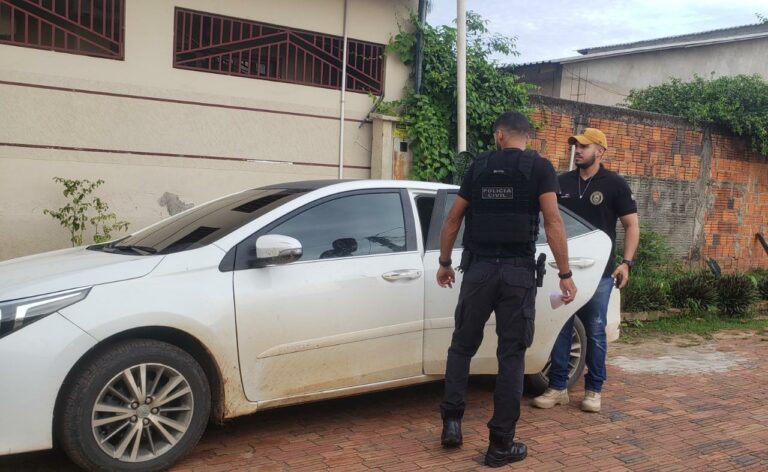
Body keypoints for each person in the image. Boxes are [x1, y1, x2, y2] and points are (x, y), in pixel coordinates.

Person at [436, 111, 577, 467]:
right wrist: (565, 273)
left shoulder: (479, 166)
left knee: (461, 347)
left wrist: (444, 262)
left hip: (479, 271)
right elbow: (553, 221)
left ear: (500, 135)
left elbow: (453, 219)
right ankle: (500, 445)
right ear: (526, 136)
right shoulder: (540, 168)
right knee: (511, 357)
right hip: (517, 273)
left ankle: (451, 424)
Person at [532, 128, 639, 413]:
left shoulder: (615, 184)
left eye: (584, 146)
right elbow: (547, 221)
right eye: (576, 146)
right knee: (561, 328)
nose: (577, 151)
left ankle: (594, 390)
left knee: (595, 331)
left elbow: (631, 225)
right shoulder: (562, 182)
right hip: (564, 271)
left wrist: (626, 263)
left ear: (600, 151)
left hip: (600, 274)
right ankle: (558, 388)